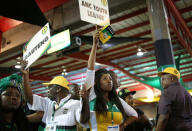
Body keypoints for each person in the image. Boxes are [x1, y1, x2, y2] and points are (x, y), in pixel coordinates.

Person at [82, 26, 138, 131]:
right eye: (105, 79)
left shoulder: (117, 101)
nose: (109, 81)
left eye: (110, 79)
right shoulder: (92, 96)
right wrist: (94, 45)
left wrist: (123, 125)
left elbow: (134, 114)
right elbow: (90, 68)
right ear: (96, 83)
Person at [21, 62, 90, 131]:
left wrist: (85, 101)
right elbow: (29, 98)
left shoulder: (75, 104)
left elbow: (83, 121)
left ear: (58, 89)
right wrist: (25, 76)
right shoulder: (48, 103)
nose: (48, 91)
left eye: (50, 88)